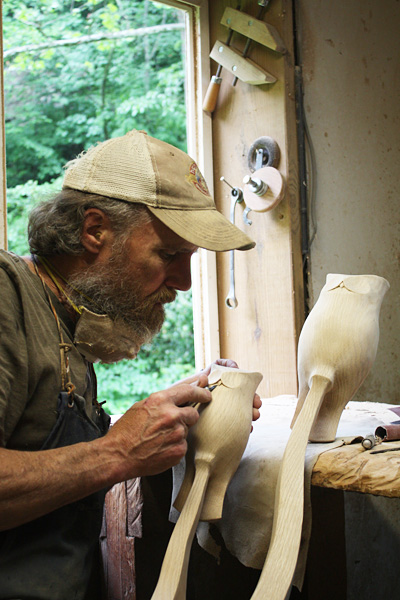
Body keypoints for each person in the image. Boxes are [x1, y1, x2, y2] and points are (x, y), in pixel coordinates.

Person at [0, 129, 260, 599]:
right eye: (169, 254)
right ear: (94, 230)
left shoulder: (68, 322)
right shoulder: (6, 297)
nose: (183, 282)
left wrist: (165, 412)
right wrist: (115, 452)